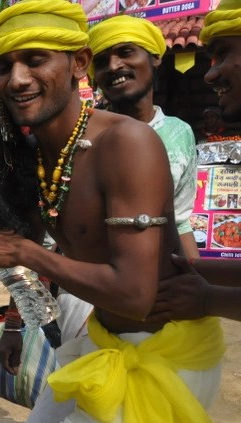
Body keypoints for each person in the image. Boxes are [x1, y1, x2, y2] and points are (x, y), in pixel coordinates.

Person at [0, 2, 224, 423]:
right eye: (4, 66)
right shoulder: (40, 155)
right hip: (104, 345)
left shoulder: (127, 143)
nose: (17, 79)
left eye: (35, 60)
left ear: (78, 64)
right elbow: (36, 249)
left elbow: (135, 295)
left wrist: (25, 252)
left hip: (160, 358)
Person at [150, 0, 241, 323]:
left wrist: (207, 299)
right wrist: (191, 269)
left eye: (224, 53)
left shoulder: (178, 132)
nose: (210, 74)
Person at [89, 15, 199, 259]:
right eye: (101, 62)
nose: (114, 66)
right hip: (91, 276)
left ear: (155, 58)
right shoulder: (84, 135)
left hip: (160, 272)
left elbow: (180, 220)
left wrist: (195, 276)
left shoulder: (179, 133)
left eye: (126, 52)